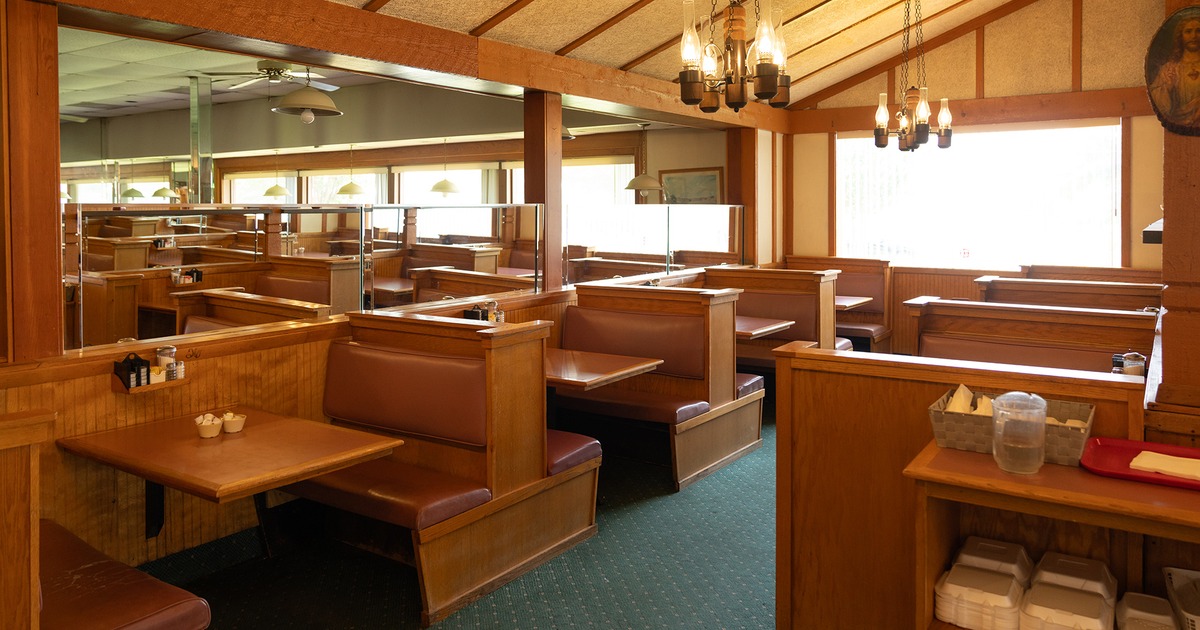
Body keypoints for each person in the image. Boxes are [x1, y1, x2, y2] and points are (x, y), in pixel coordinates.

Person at [1149, 16, 1200, 128]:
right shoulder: (1169, 69)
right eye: (1188, 31)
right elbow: (1159, 104)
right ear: (1180, 36)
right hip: (1179, 125)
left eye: (1198, 31)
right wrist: (1167, 87)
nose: (1193, 36)